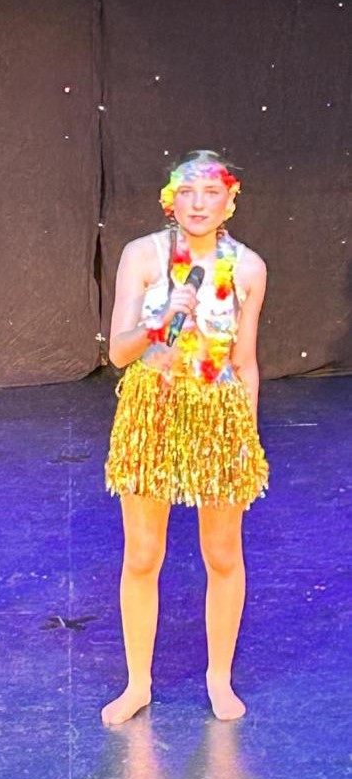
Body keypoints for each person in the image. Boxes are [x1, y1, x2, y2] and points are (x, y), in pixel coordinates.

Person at [101, 149, 268, 725]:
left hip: (218, 416)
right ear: (171, 198)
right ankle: (137, 683)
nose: (198, 205)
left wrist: (246, 439)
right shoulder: (142, 256)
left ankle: (218, 677)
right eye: (188, 193)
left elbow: (244, 362)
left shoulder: (248, 268)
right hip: (153, 407)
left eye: (211, 193)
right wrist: (157, 320)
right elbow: (119, 353)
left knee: (223, 554)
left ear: (230, 199)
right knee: (143, 554)